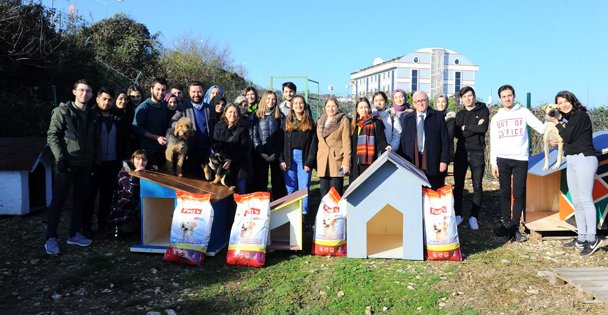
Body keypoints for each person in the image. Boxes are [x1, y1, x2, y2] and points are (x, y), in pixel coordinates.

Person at [45, 79, 98, 255]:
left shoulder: (92, 115)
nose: (85, 94)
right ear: (74, 91)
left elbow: (93, 140)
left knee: (80, 200)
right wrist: (60, 158)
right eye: (82, 90)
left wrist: (93, 162)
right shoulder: (63, 111)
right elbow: (52, 135)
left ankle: (74, 233)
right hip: (66, 164)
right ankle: (51, 238)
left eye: (88, 91)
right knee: (58, 201)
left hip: (85, 164)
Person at [490, 84, 545, 242]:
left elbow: (539, 127)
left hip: (520, 158)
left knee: (519, 193)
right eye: (504, 96)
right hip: (502, 159)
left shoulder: (523, 112)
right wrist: (494, 163)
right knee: (504, 192)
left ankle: (515, 226)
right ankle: (506, 224)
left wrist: (553, 126)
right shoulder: (497, 117)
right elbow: (494, 141)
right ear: (500, 99)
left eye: (509, 95)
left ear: (514, 96)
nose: (507, 98)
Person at [549, 91, 601, 256]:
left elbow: (569, 136)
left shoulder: (580, 116)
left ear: (572, 101)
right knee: (577, 201)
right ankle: (582, 236)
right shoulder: (569, 119)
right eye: (560, 103)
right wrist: (556, 143)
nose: (563, 105)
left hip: (584, 159)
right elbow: (569, 139)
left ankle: (592, 239)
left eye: (566, 101)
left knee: (585, 199)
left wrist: (556, 123)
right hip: (572, 160)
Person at [83, 87, 131, 237]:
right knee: (90, 196)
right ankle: (86, 227)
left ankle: (103, 225)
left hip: (112, 164)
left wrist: (124, 159)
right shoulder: (90, 116)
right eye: (104, 99)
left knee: (107, 196)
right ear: (97, 99)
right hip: (94, 163)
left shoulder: (118, 118)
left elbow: (125, 140)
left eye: (110, 100)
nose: (107, 102)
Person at [453, 87, 489, 231]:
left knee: (477, 185)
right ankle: (458, 214)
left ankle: (474, 217)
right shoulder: (460, 114)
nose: (468, 98)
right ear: (461, 99)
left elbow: (483, 129)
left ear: (474, 96)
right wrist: (473, 127)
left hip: (477, 152)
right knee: (459, 185)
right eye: (465, 97)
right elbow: (457, 133)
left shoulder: (483, 110)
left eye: (470, 96)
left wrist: (465, 127)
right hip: (461, 152)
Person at [398, 91, 449, 190]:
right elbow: (403, 141)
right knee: (414, 189)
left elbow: (445, 141)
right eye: (417, 101)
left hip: (433, 160)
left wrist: (444, 160)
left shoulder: (437, 116)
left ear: (428, 101)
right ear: (413, 103)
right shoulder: (407, 118)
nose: (420, 103)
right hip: (412, 160)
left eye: (423, 100)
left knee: (433, 189)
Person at [279, 95, 317, 216]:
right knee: (290, 187)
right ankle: (291, 213)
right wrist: (281, 160)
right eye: (295, 103)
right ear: (292, 106)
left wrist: (309, 162)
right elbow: (280, 142)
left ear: (304, 105)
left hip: (304, 158)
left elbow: (313, 144)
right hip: (289, 157)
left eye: (301, 103)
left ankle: (304, 214)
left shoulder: (310, 122)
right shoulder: (286, 121)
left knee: (304, 187)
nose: (298, 105)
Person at [170, 80, 213, 179]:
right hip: (190, 151)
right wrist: (181, 128)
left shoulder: (210, 108)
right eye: (193, 92)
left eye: (199, 92)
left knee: (207, 183)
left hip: (206, 152)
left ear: (203, 92)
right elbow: (172, 122)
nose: (196, 94)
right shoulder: (182, 107)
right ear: (189, 93)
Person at [251, 90, 287, 199]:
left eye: (273, 99)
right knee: (261, 183)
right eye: (268, 99)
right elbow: (254, 135)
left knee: (278, 184)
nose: (271, 101)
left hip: (275, 155)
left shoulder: (280, 116)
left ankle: (278, 206)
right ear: (264, 100)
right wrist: (261, 153)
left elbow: (282, 137)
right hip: (261, 155)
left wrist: (275, 154)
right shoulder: (256, 115)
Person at [108, 149, 148, 238]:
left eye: (144, 160)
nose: (141, 162)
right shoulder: (124, 172)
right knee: (127, 230)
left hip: (138, 208)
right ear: (133, 159)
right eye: (138, 159)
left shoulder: (147, 171)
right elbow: (130, 191)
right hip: (124, 212)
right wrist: (135, 175)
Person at [212, 103, 250, 193]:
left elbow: (244, 148)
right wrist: (214, 160)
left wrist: (230, 159)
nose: (232, 114)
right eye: (230, 112)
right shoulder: (218, 126)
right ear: (225, 113)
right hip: (221, 166)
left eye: (235, 112)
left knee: (240, 192)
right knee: (222, 193)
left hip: (239, 167)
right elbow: (215, 144)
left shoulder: (243, 128)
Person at [316, 96, 351, 197]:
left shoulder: (343, 121)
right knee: (324, 194)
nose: (331, 109)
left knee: (335, 194)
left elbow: (346, 143)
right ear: (325, 108)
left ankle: (336, 213)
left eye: (333, 106)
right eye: (328, 106)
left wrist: (346, 162)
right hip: (323, 160)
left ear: (338, 107)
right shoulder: (319, 122)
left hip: (336, 160)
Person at [132, 77, 170, 168]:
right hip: (148, 153)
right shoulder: (144, 107)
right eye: (158, 89)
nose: (160, 92)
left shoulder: (164, 107)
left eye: (163, 90)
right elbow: (136, 129)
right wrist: (156, 137)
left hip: (163, 152)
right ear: (151, 89)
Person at [349, 97, 388, 182]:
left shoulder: (376, 122)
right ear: (357, 109)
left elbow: (381, 140)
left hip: (372, 160)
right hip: (356, 162)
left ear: (369, 108)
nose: (364, 110)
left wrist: (386, 146)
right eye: (361, 107)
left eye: (366, 107)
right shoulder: (353, 124)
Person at [434, 93, 455, 162]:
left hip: (445, 152)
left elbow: (450, 135)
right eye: (438, 102)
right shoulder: (430, 116)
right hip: (432, 151)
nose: (441, 104)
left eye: (443, 101)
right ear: (435, 103)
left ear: (447, 103)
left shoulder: (451, 116)